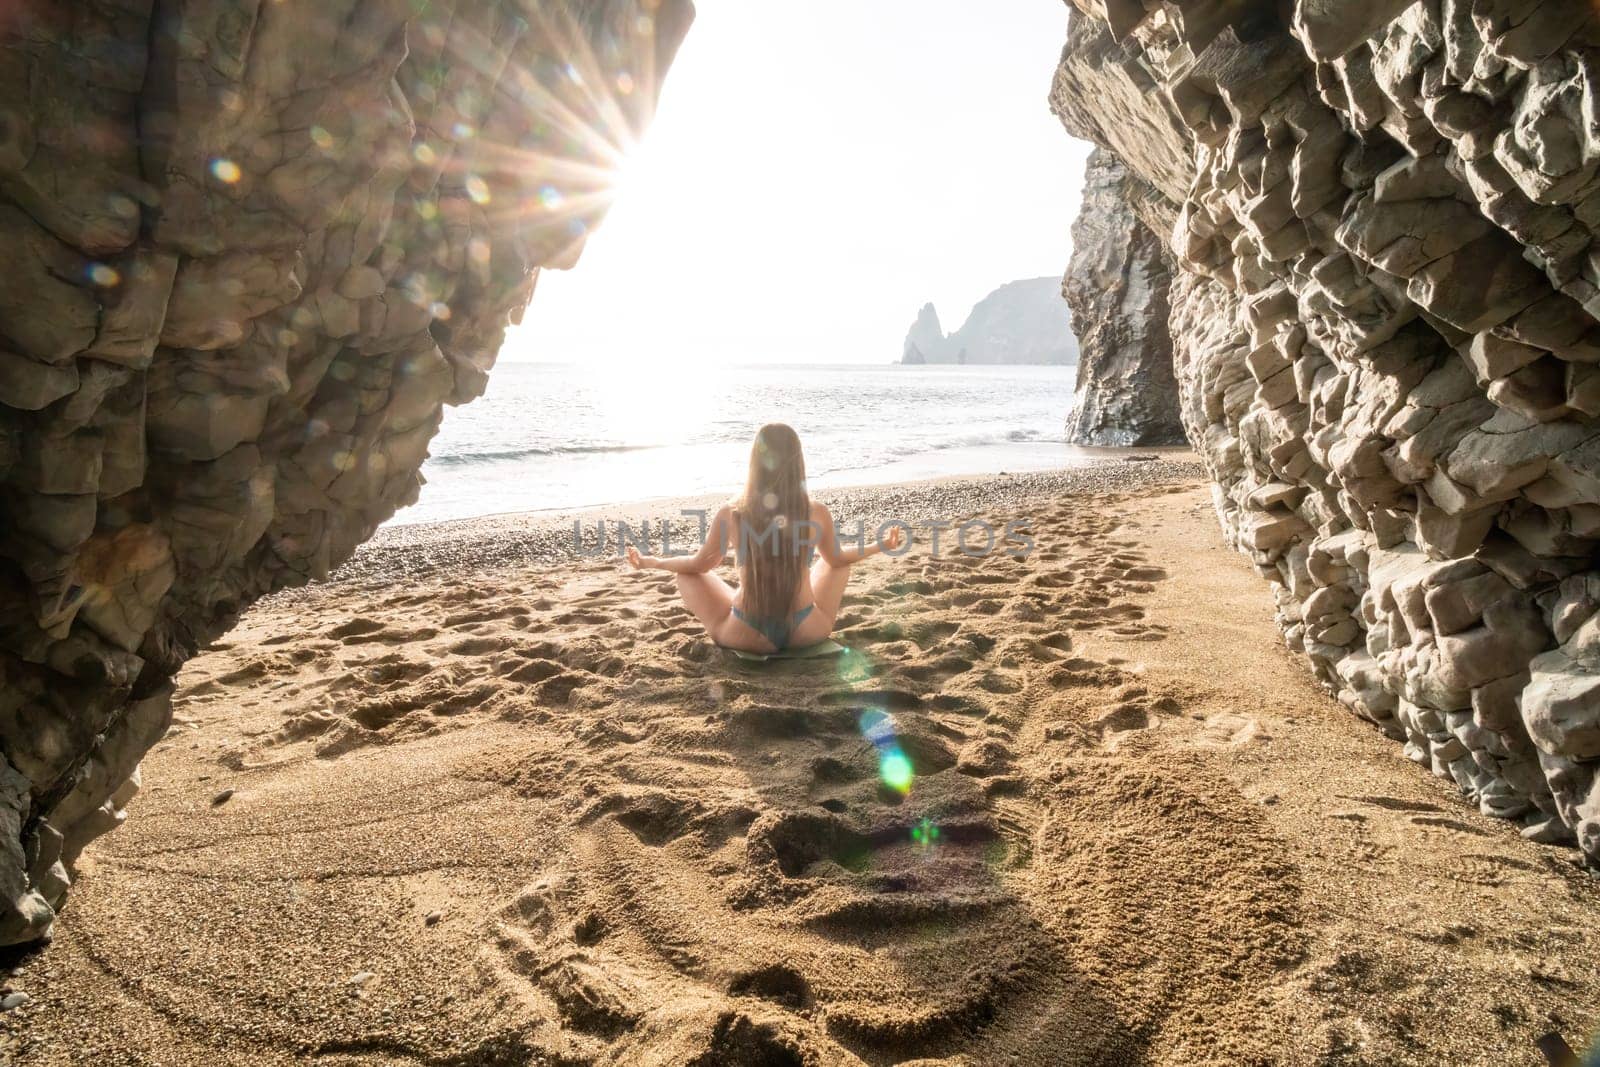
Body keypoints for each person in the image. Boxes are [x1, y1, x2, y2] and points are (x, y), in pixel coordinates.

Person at [625, 423, 905, 653]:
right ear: (798, 462)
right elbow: (838, 558)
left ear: (755, 462)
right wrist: (880, 545)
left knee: (686, 576)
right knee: (836, 564)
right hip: (805, 631)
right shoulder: (815, 512)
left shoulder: (732, 513)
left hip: (746, 634)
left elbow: (698, 565)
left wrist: (653, 562)